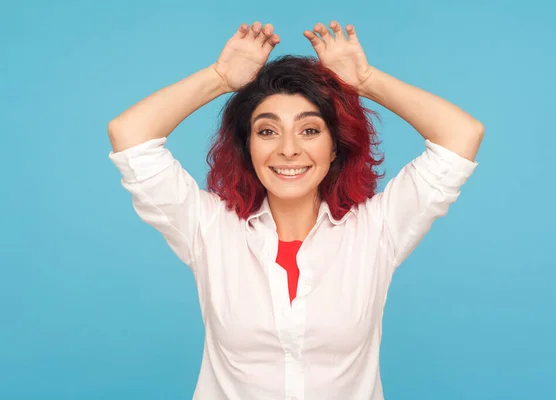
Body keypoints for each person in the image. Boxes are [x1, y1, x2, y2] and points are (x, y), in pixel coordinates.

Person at [108, 20, 483, 400]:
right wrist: (220, 78)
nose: (288, 149)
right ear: (247, 146)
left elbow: (461, 136)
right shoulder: (208, 228)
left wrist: (364, 80)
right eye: (268, 131)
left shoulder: (376, 229)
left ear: (335, 147)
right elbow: (130, 135)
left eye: (310, 130)